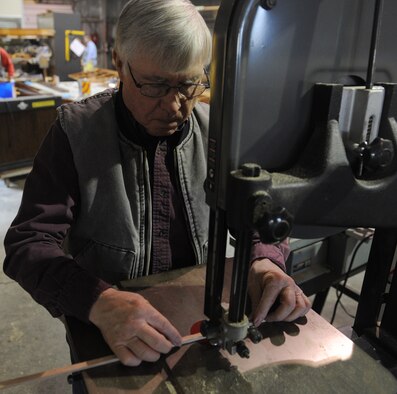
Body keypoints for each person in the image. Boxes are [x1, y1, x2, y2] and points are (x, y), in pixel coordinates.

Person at [3, 0, 311, 369]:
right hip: (110, 331)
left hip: (195, 321)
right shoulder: (75, 134)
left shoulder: (219, 133)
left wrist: (266, 261)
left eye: (188, 84)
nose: (174, 106)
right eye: (155, 85)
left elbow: (258, 212)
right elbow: (28, 245)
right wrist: (97, 301)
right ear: (119, 63)